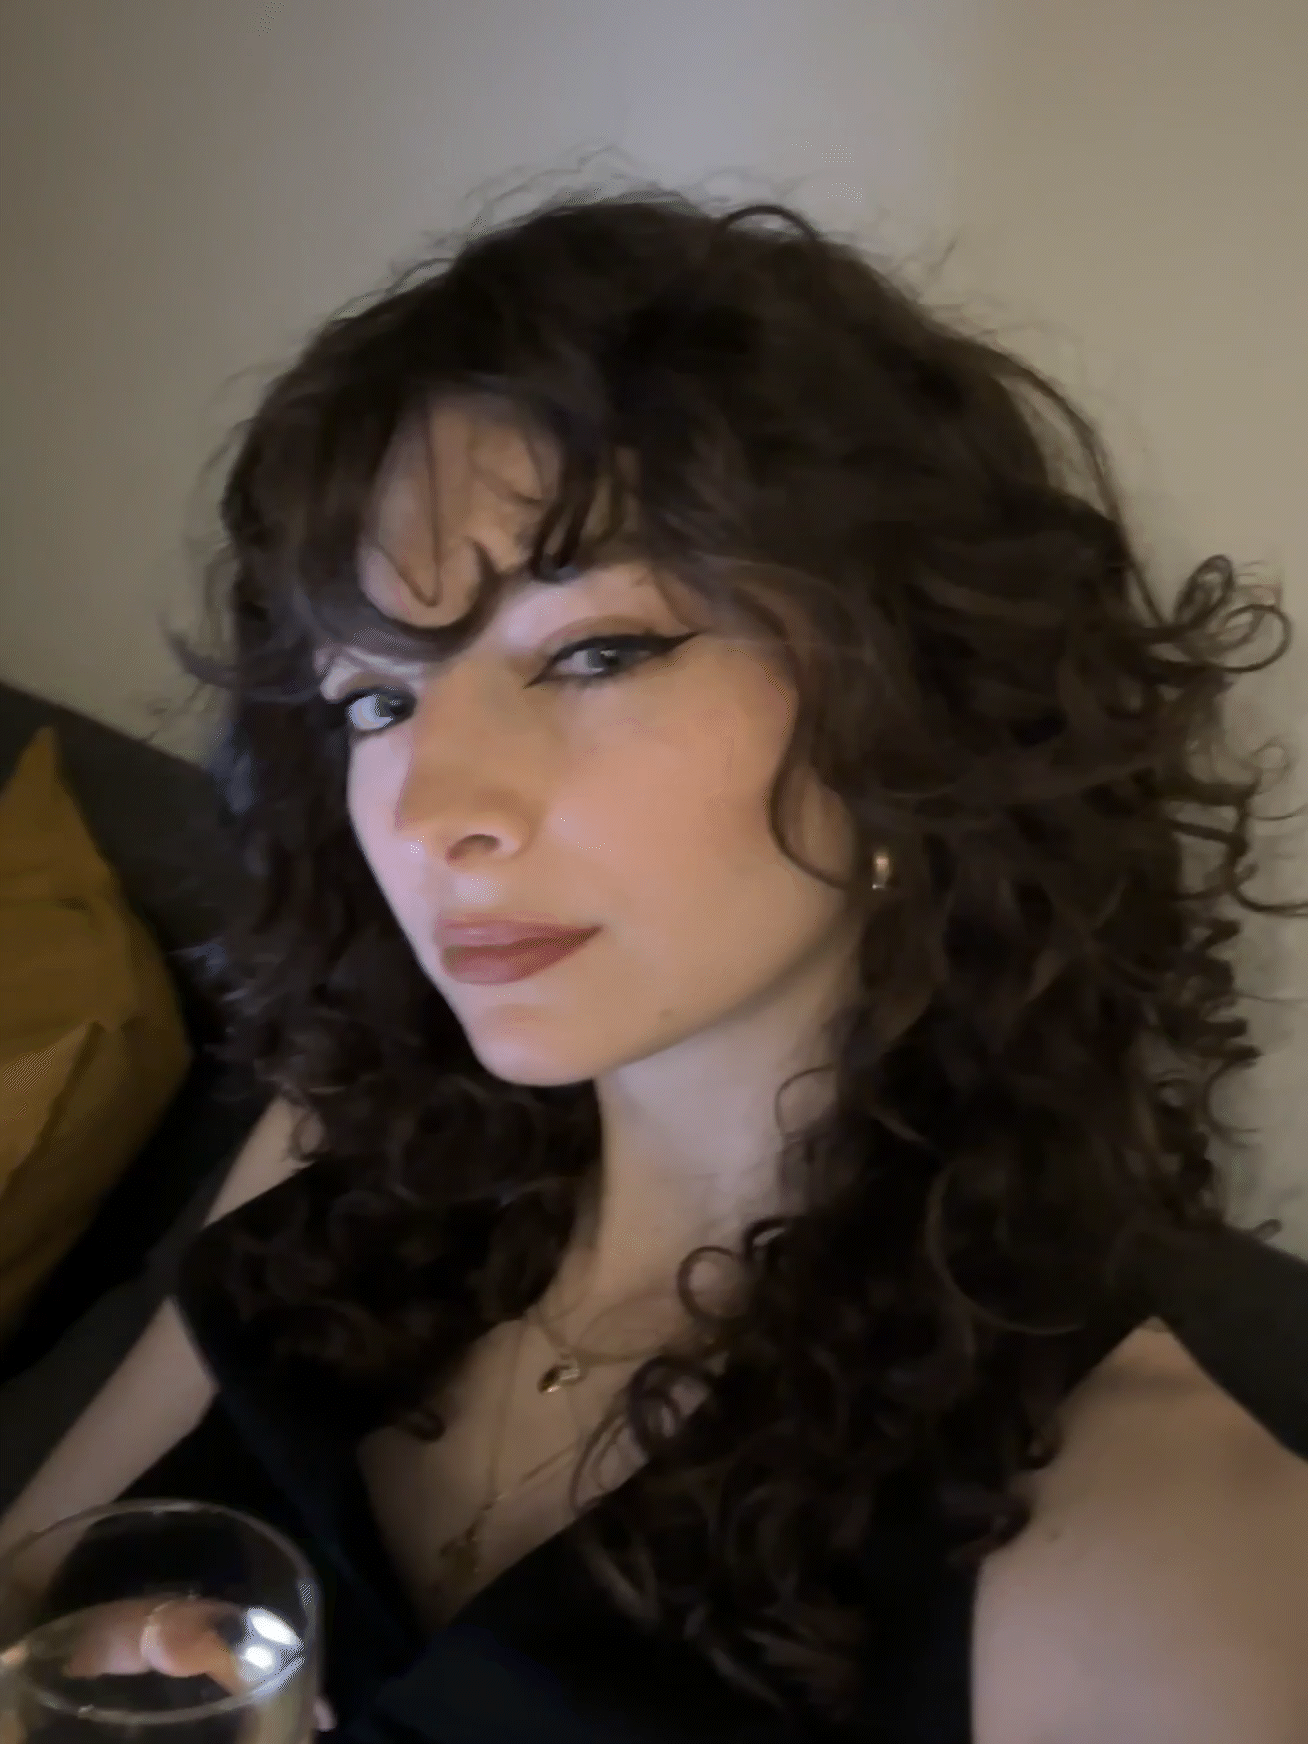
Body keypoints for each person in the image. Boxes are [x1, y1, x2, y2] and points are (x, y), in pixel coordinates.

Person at [3, 185, 1308, 1744]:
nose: (427, 811)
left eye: (594, 652)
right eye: (374, 701)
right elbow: (28, 1598)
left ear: (922, 697)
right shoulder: (343, 1147)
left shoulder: (1157, 1558)